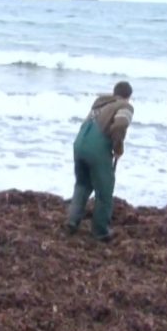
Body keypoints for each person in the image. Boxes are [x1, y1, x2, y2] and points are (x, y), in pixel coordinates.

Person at [65, 81, 134, 242]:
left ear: (114, 92)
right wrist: (118, 149)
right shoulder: (125, 106)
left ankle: (72, 221)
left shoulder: (100, 103)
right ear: (129, 96)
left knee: (82, 184)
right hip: (97, 148)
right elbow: (120, 125)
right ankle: (100, 231)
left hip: (79, 143)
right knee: (104, 191)